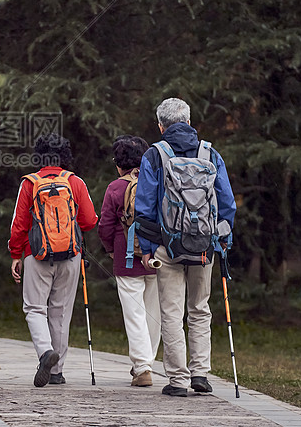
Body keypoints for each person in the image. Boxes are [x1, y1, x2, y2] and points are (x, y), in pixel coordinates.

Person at [136, 98, 236, 397]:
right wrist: (221, 241)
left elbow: (145, 206)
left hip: (167, 247)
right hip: (205, 245)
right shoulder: (209, 153)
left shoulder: (155, 155)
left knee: (171, 311)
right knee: (200, 309)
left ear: (160, 125)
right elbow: (227, 202)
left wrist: (147, 247)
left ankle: (178, 380)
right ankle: (201, 374)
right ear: (190, 122)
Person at [8, 133, 98, 387]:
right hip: (71, 254)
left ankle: (45, 351)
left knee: (35, 308)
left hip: (36, 254)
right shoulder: (74, 182)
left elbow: (19, 225)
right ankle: (56, 371)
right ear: (65, 156)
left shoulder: (29, 183)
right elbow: (90, 220)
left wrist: (16, 254)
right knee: (60, 311)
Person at [97, 135, 161, 388]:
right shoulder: (154, 182)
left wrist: (110, 248)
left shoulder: (115, 188)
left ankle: (142, 366)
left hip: (126, 258)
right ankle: (147, 362)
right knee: (153, 313)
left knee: (134, 314)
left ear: (118, 163)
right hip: (156, 257)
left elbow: (105, 224)